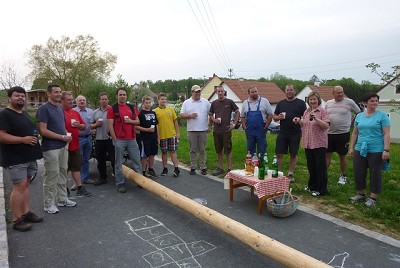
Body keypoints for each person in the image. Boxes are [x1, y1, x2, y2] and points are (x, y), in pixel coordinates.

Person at [0, 86, 44, 231]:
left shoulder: (23, 113)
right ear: (9, 98)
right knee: (19, 187)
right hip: (15, 158)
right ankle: (16, 220)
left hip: (29, 156)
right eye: (17, 96)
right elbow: (2, 136)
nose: (20, 98)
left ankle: (26, 213)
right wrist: (22, 140)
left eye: (22, 96)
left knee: (25, 185)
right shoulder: (4, 114)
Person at [36, 84, 76, 214]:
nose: (59, 94)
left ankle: (62, 199)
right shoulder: (43, 109)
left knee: (63, 173)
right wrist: (61, 137)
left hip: (63, 145)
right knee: (51, 175)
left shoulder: (59, 107)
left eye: (59, 92)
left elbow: (61, 125)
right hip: (51, 147)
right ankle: (48, 204)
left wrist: (66, 136)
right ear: (48, 93)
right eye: (55, 92)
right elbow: (43, 130)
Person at [348, 93, 390, 207]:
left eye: (376, 100)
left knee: (375, 173)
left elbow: (386, 134)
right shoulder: (359, 116)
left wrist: (386, 150)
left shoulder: (382, 116)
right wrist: (351, 147)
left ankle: (373, 198)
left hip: (376, 149)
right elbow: (355, 133)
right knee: (359, 171)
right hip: (360, 148)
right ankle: (361, 194)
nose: (375, 103)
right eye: (372, 101)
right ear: (365, 103)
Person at [293, 91, 330, 197]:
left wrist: (316, 118)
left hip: (319, 143)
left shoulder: (323, 111)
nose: (312, 101)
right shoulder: (306, 111)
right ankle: (312, 186)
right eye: (310, 99)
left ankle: (322, 189)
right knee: (311, 166)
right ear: (308, 101)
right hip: (308, 143)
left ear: (318, 100)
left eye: (314, 99)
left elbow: (326, 126)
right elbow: (304, 124)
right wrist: (298, 120)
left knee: (320, 167)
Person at [107, 87, 143, 193]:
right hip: (120, 140)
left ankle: (140, 181)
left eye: (124, 94)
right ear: (117, 96)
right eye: (120, 94)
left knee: (137, 161)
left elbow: (138, 122)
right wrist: (115, 140)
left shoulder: (131, 107)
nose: (122, 96)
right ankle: (120, 183)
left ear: (126, 96)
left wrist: (131, 121)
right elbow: (110, 126)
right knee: (118, 163)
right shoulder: (112, 109)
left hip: (132, 139)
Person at [325, 86, 361, 185]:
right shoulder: (328, 103)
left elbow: (358, 113)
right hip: (329, 133)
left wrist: (351, 122)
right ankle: (324, 174)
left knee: (342, 155)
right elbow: (324, 116)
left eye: (342, 92)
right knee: (327, 154)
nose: (340, 94)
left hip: (343, 134)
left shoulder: (349, 102)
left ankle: (343, 175)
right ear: (333, 94)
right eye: (338, 93)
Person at [273, 84, 306, 182]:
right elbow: (274, 116)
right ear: (285, 91)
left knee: (293, 154)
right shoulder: (281, 103)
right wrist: (278, 117)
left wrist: (299, 120)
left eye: (291, 90)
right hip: (282, 132)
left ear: (294, 91)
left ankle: (290, 174)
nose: (289, 92)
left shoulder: (300, 103)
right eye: (287, 90)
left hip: (295, 132)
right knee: (279, 153)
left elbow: (306, 116)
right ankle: (279, 173)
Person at [61, 91, 92, 197]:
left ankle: (80, 187)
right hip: (63, 146)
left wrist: (79, 125)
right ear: (62, 101)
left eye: (71, 100)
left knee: (76, 167)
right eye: (68, 100)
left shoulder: (74, 113)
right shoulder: (59, 112)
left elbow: (84, 126)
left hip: (75, 144)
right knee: (64, 168)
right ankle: (64, 190)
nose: (71, 102)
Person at [209, 86, 239, 176]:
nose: (220, 93)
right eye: (219, 91)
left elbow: (237, 112)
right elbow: (210, 114)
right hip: (217, 130)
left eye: (222, 91)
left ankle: (230, 169)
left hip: (226, 130)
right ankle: (220, 168)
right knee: (219, 150)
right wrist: (214, 120)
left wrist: (234, 124)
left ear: (224, 92)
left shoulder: (229, 102)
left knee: (228, 150)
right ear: (216, 93)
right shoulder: (214, 103)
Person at [180, 85, 211, 175]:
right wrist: (190, 116)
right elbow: (181, 115)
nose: (198, 93)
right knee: (193, 149)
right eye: (196, 92)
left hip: (203, 129)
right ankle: (193, 167)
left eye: (199, 92)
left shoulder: (205, 102)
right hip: (192, 130)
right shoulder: (186, 102)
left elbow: (211, 113)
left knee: (202, 150)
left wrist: (210, 125)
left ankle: (203, 167)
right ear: (192, 92)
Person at [90, 92, 115, 186]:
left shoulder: (113, 110)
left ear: (108, 100)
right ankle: (103, 177)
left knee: (114, 158)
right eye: (102, 99)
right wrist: (96, 125)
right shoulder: (95, 112)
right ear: (99, 101)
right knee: (100, 159)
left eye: (105, 99)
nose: (104, 101)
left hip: (111, 138)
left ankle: (118, 177)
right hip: (100, 138)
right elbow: (90, 125)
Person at [153, 93, 181, 177]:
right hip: (162, 136)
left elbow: (175, 122)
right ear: (158, 100)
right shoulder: (155, 111)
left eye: (165, 99)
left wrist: (178, 132)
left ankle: (176, 168)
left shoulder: (171, 110)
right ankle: (165, 168)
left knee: (173, 151)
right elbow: (155, 125)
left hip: (171, 134)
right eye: (162, 99)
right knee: (164, 152)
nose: (164, 101)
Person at [240, 86, 273, 156]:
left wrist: (266, 127)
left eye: (256, 91)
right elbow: (242, 116)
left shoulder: (264, 101)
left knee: (262, 150)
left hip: (261, 129)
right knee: (250, 150)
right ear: (249, 93)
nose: (255, 93)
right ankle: (251, 165)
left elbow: (270, 115)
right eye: (252, 92)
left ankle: (261, 165)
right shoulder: (245, 103)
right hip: (250, 130)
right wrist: (244, 127)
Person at [73, 95, 94, 185]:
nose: (82, 101)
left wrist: (93, 129)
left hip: (88, 138)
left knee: (86, 159)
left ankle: (85, 178)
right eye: (80, 100)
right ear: (76, 102)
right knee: (77, 160)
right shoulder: (73, 111)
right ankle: (78, 181)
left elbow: (92, 123)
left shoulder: (90, 111)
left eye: (83, 100)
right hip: (78, 139)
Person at [136, 95, 159, 178]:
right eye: (146, 103)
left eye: (149, 103)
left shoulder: (153, 113)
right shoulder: (140, 114)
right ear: (143, 103)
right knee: (145, 155)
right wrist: (147, 130)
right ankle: (142, 171)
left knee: (152, 154)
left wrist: (158, 137)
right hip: (145, 138)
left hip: (153, 137)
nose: (148, 104)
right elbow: (136, 126)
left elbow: (156, 126)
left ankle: (151, 169)